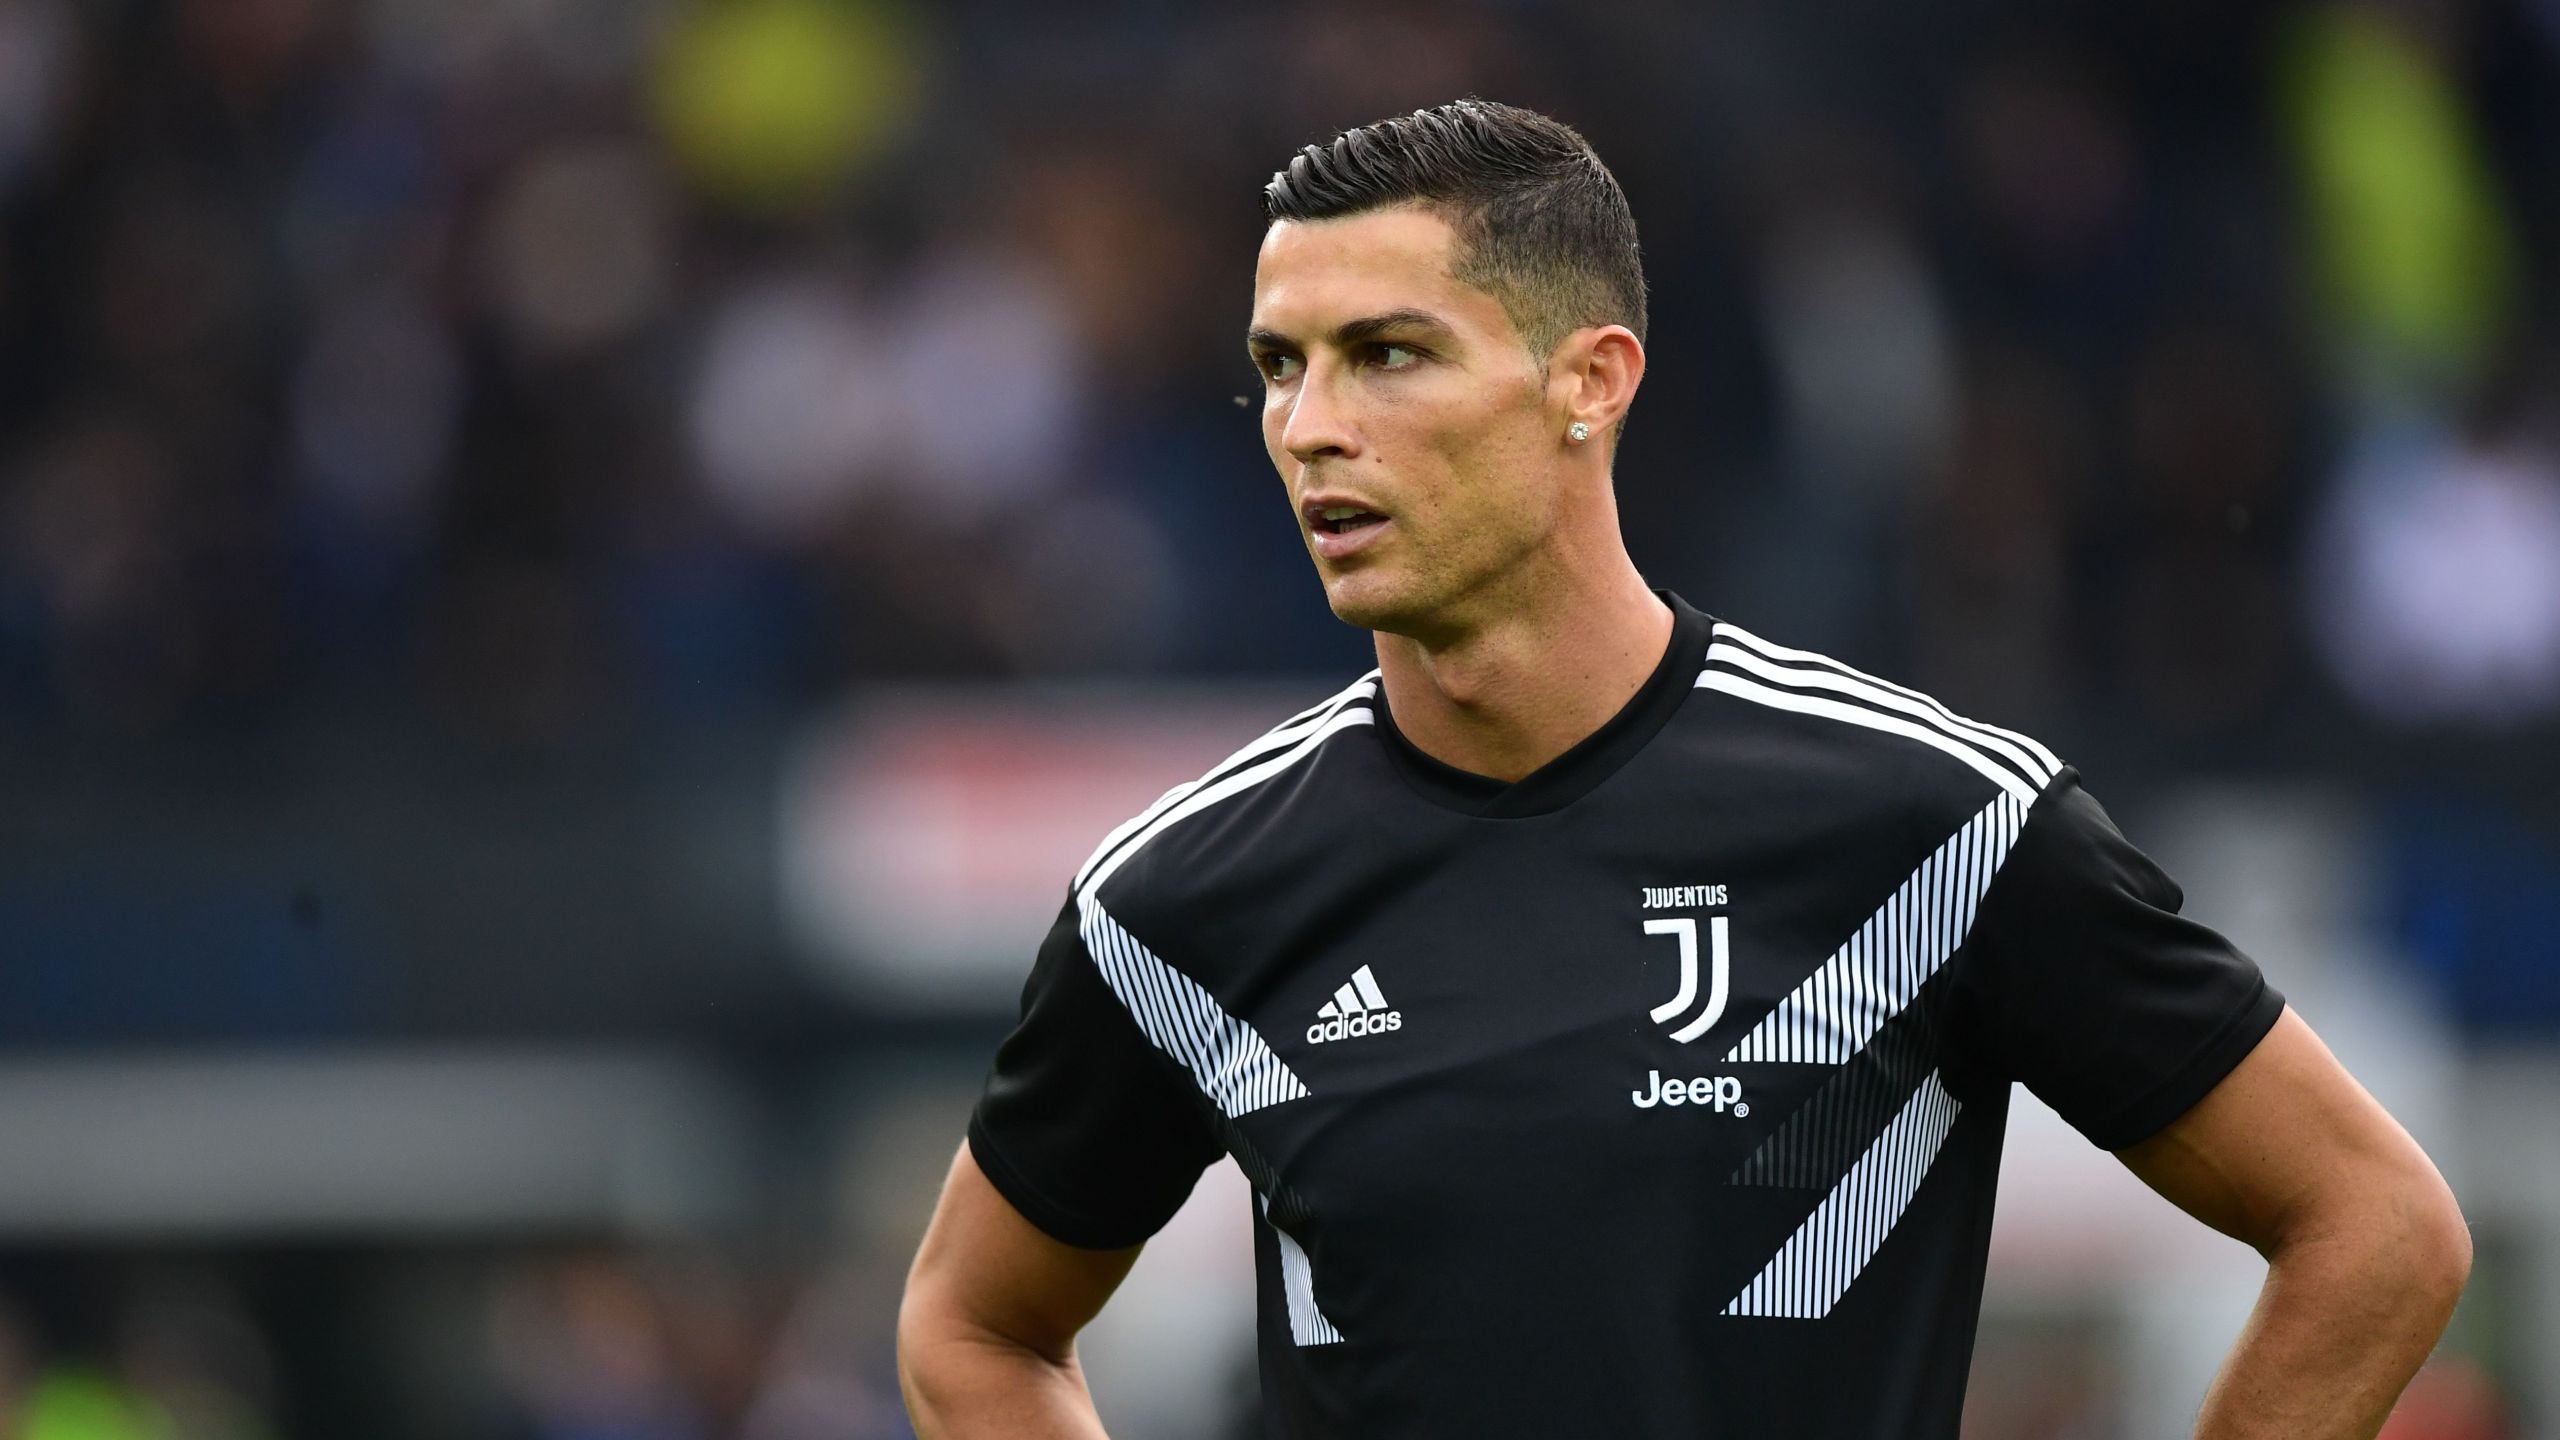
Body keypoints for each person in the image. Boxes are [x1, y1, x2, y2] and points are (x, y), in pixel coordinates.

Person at [896, 99, 2471, 1439]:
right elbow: (975, 1327)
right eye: (1280, 364)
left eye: (1387, 354)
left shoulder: (1935, 830)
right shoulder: (1187, 900)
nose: (1311, 425)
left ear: (1592, 380)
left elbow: (2377, 1228)